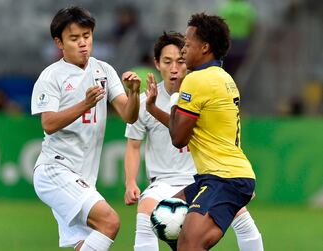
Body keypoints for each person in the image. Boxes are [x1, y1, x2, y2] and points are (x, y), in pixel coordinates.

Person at [126, 32, 263, 251]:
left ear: (188, 60)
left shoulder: (198, 85)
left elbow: (186, 136)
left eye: (180, 59)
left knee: (241, 222)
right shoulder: (148, 99)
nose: (174, 68)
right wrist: (130, 182)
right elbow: (137, 141)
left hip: (204, 176)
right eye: (167, 61)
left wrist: (239, 175)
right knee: (148, 216)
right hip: (165, 180)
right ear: (157, 64)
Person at [31, 6, 141, 251]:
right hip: (55, 170)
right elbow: (48, 124)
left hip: (83, 177)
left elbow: (129, 116)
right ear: (59, 42)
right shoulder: (51, 77)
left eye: (87, 36)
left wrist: (134, 94)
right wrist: (85, 104)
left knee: (86, 243)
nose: (83, 43)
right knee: (110, 222)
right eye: (74, 38)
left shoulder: (104, 70)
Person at [166, 13, 258, 250]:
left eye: (187, 44)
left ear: (205, 47)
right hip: (224, 175)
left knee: (188, 243)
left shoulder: (197, 80)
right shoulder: (224, 77)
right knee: (166, 216)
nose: (182, 50)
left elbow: (178, 138)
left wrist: (175, 93)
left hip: (223, 177)